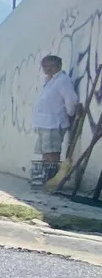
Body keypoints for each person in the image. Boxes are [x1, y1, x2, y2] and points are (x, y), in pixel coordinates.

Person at [31, 53, 84, 186]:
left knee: (52, 152)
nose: (48, 69)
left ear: (59, 66)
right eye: (45, 66)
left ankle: (52, 180)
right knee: (45, 152)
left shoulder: (62, 80)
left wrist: (71, 114)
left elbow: (71, 99)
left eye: (51, 66)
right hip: (44, 123)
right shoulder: (49, 80)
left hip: (54, 123)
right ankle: (46, 179)